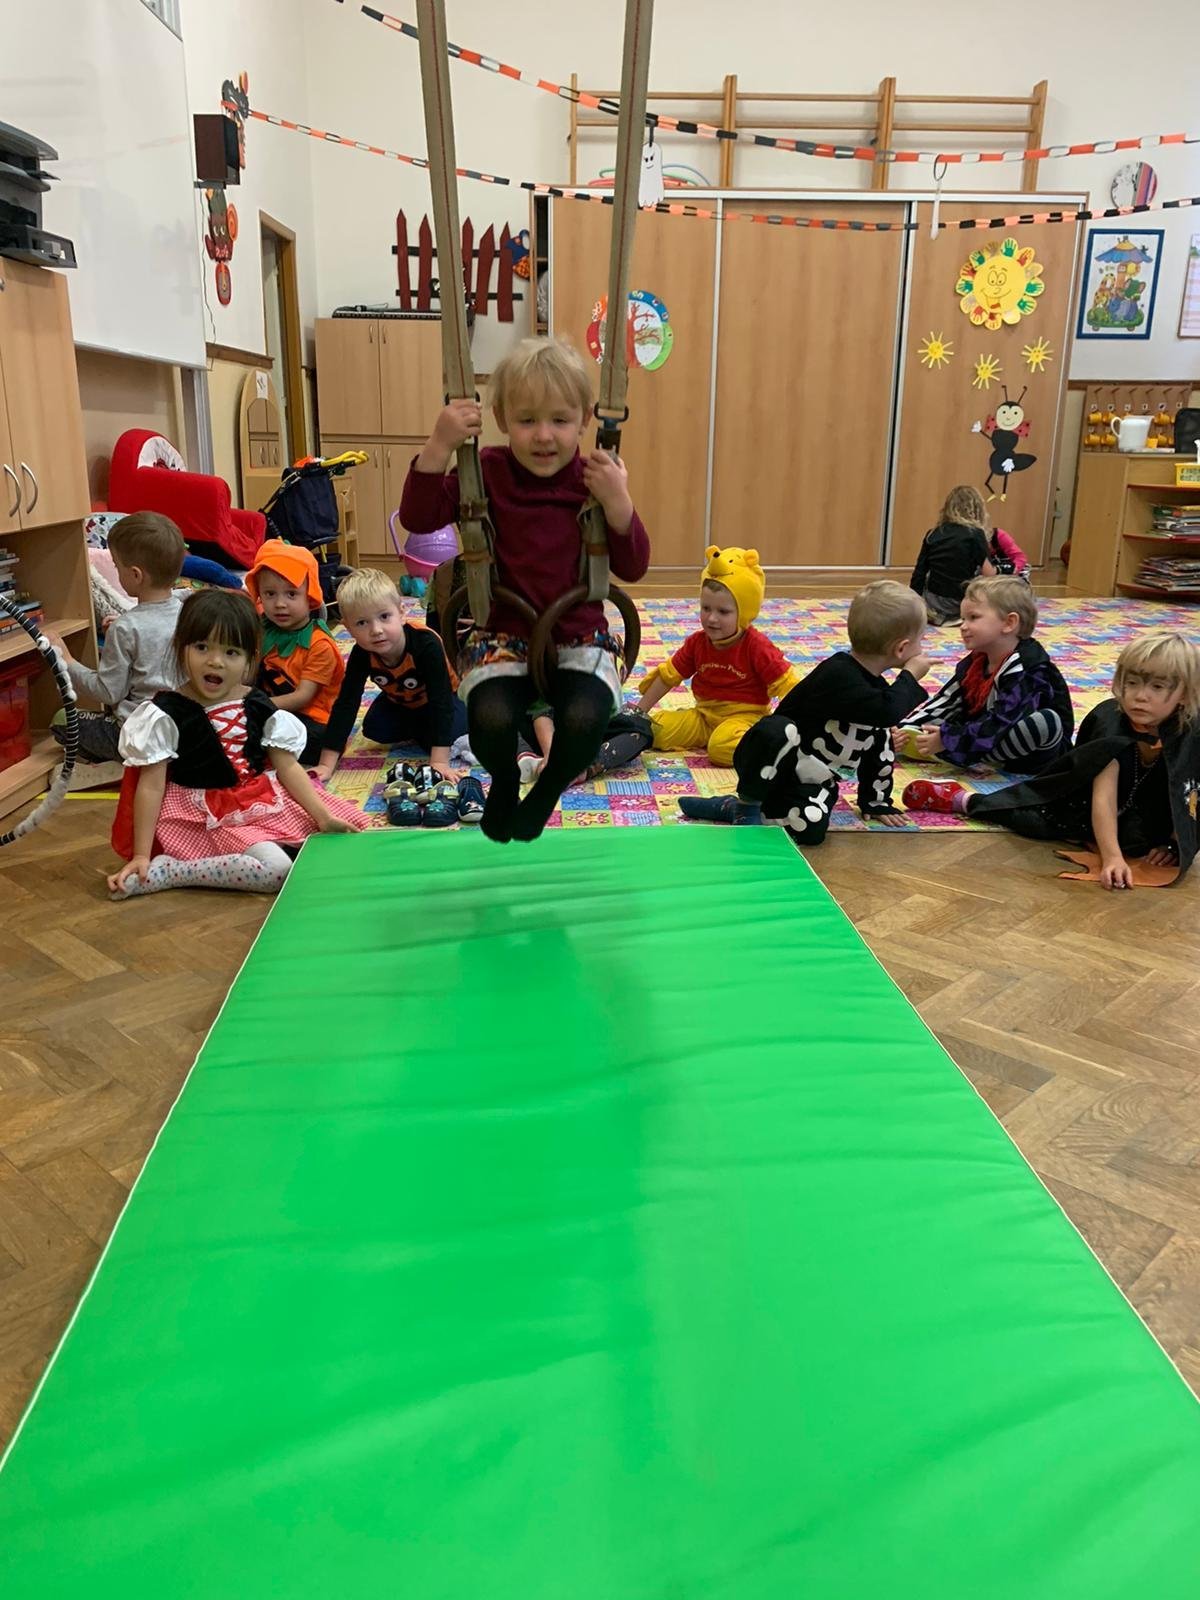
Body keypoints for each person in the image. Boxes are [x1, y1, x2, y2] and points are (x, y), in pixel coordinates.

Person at [399, 336, 650, 843]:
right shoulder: (485, 471)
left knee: (585, 718)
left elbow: (634, 566)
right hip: (503, 632)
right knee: (489, 718)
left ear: (584, 420)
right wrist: (439, 446)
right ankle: (507, 779)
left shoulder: (595, 478)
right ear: (500, 418)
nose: (544, 435)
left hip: (580, 635)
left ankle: (548, 787)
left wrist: (619, 504)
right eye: (527, 419)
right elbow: (418, 518)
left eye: (560, 420)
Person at [107, 588, 364, 900]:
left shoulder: (255, 703)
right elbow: (150, 786)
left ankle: (274, 843)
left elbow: (287, 767)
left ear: (249, 660)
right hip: (207, 815)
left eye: (231, 652)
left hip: (261, 799)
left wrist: (322, 817)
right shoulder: (166, 713)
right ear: (180, 647)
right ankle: (172, 871)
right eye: (202, 647)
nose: (215, 662)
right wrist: (141, 855)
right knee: (277, 870)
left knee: (349, 834)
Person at [903, 631, 1200, 890]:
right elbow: (1103, 797)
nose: (1140, 696)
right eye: (1132, 683)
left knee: (1141, 842)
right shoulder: (1113, 724)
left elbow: (1190, 792)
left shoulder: (1191, 734)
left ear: (1184, 695)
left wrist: (1174, 843)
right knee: (1038, 819)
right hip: (1089, 803)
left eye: (1157, 687)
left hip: (1149, 810)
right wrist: (1112, 858)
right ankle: (963, 799)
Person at [680, 580, 931, 844]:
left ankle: (734, 809)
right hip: (772, 765)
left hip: (812, 780)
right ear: (901, 648)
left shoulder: (878, 694)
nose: (922, 648)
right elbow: (887, 711)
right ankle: (747, 805)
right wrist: (910, 675)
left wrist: (875, 801)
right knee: (777, 729)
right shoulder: (838, 674)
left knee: (810, 829)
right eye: (921, 640)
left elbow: (880, 739)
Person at [635, 545, 799, 765]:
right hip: (704, 717)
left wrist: (797, 728)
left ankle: (767, 744)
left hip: (744, 720)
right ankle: (714, 738)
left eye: (723, 612)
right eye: (706, 608)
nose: (712, 618)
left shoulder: (757, 646)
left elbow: (789, 686)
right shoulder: (697, 642)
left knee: (720, 748)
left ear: (745, 612)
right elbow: (668, 676)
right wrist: (638, 712)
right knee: (655, 730)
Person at [46, 512, 186, 765]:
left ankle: (116, 763)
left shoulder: (126, 628)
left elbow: (108, 692)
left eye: (116, 566)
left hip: (139, 736)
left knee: (61, 720)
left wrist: (67, 661)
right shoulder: (187, 614)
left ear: (136, 575)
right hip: (184, 730)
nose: (115, 571)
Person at [894, 576, 1072, 773]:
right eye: (962, 619)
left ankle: (956, 753)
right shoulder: (976, 661)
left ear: (1009, 623)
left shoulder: (1028, 667)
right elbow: (947, 700)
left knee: (1043, 723)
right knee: (949, 717)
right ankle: (947, 747)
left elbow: (1003, 720)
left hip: (1028, 752)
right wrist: (903, 728)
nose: (963, 626)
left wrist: (949, 739)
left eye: (973, 618)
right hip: (986, 734)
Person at [312, 568, 468, 783]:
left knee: (450, 733)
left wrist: (439, 762)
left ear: (402, 613)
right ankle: (422, 729)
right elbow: (346, 703)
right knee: (374, 728)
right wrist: (326, 764)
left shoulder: (426, 644)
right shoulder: (361, 653)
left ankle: (430, 730)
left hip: (445, 698)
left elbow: (441, 701)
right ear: (347, 628)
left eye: (384, 617)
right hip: (401, 701)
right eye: (362, 623)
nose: (376, 630)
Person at [246, 539, 345, 767]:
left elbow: (303, 697)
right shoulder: (261, 629)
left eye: (291, 594)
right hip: (271, 707)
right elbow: (249, 674)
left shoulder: (319, 644)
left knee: (317, 742)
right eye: (270, 594)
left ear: (309, 596)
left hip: (312, 717)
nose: (280, 604)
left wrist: (255, 707)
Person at [909, 485, 995, 625]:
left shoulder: (933, 533)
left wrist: (914, 604)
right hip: (959, 603)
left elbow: (919, 573)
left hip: (932, 602)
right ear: (977, 509)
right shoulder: (975, 534)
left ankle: (938, 615)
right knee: (982, 580)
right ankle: (960, 615)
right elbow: (989, 575)